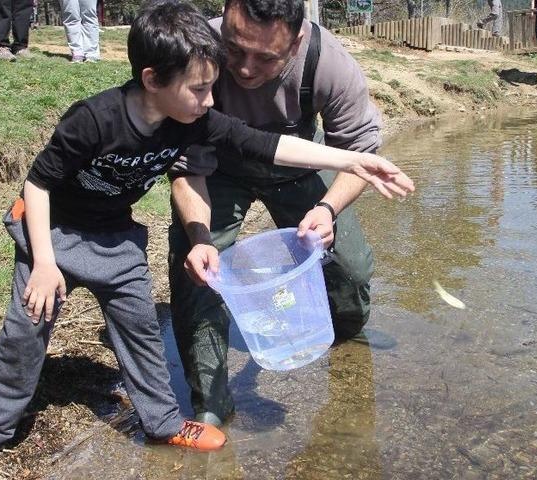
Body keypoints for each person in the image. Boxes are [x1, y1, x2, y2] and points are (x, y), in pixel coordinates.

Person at [0, 0, 413, 475]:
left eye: (214, 87)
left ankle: (164, 422)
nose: (214, 99)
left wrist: (352, 161)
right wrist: (45, 262)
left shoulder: (196, 113)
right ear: (153, 79)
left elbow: (264, 144)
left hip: (117, 238)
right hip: (55, 234)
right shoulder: (94, 119)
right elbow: (38, 183)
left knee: (142, 334)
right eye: (202, 89)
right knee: (27, 329)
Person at [167, 0, 413, 427]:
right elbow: (185, 168)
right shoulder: (195, 50)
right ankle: (210, 401)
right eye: (234, 48)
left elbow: (358, 153)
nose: (243, 69)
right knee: (198, 271)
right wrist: (201, 238)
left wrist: (327, 208)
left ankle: (346, 339)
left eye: (265, 57)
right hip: (216, 168)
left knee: (349, 271)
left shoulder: (329, 64)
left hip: (297, 163)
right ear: (224, 17)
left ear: (297, 40)